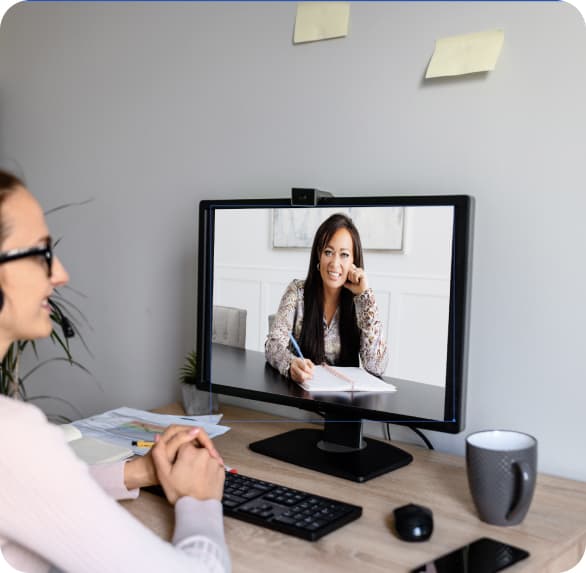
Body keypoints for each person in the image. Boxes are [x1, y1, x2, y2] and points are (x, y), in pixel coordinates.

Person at [0, 169, 230, 573]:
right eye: (41, 253)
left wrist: (137, 472)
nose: (60, 275)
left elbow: (31, 492)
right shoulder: (12, 435)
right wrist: (200, 501)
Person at [265, 212, 389, 384]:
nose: (335, 263)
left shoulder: (360, 302)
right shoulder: (297, 292)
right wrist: (291, 364)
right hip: (302, 399)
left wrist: (365, 297)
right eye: (328, 252)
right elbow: (273, 345)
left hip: (346, 404)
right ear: (318, 255)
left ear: (354, 260)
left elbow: (376, 366)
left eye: (344, 255)